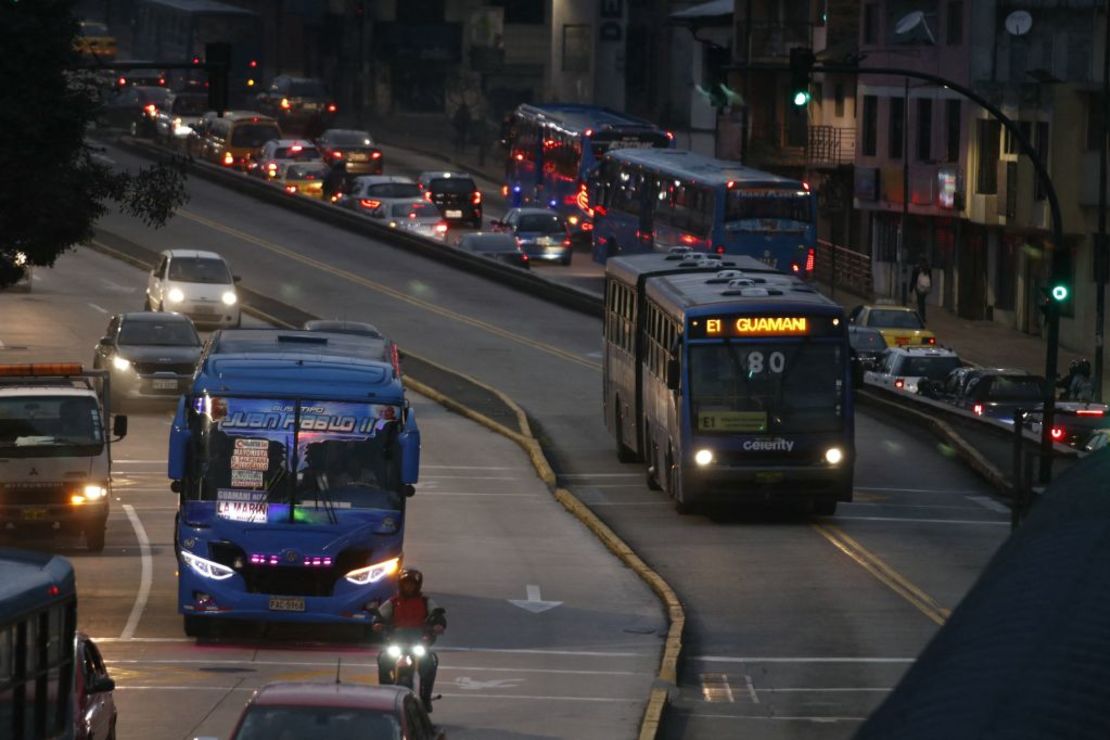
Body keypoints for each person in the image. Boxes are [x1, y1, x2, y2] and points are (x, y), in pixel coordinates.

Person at [373, 569, 446, 712]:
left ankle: (425, 698)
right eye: (406, 584)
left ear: (417, 585)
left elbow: (437, 614)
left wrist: (439, 624)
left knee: (430, 662)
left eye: (412, 584)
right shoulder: (393, 602)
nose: (409, 587)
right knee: (383, 659)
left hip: (418, 642)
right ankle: (385, 694)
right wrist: (377, 623)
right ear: (401, 585)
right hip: (396, 642)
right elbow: (380, 615)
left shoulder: (426, 601)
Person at [910, 256, 933, 323]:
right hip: (926, 287)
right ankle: (923, 316)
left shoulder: (917, 268)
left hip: (919, 287)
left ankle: (921, 316)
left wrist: (911, 289)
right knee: (922, 302)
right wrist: (930, 287)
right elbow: (930, 278)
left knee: (920, 302)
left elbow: (913, 279)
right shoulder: (928, 268)